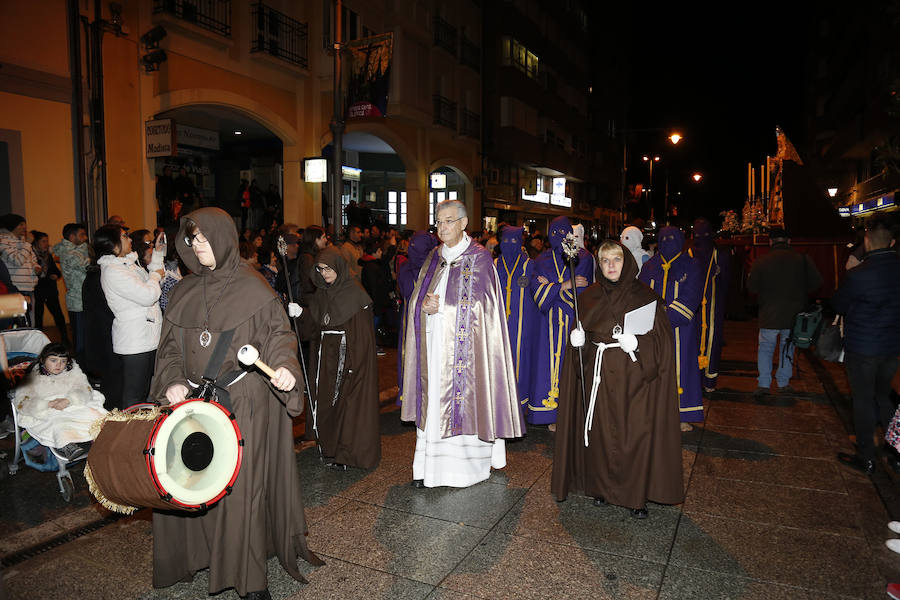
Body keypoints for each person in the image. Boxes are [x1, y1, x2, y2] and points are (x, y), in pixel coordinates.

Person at [150, 207, 323, 599]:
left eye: (204, 238)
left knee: (240, 490)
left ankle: (249, 577)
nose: (198, 246)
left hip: (242, 403)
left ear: (224, 238)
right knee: (190, 482)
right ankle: (195, 556)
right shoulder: (182, 292)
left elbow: (279, 338)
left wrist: (285, 369)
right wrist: (173, 381)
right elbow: (169, 352)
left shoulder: (254, 288)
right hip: (193, 405)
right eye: (192, 239)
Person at [552, 240, 683, 519]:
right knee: (599, 434)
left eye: (616, 259)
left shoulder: (645, 297)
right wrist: (578, 343)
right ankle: (601, 489)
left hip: (634, 381)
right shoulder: (588, 297)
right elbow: (581, 344)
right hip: (599, 377)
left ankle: (635, 497)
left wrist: (638, 344)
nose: (611, 266)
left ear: (628, 262)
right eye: (605, 261)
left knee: (633, 435)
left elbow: (662, 344)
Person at [401, 200, 525, 488]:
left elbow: (485, 309)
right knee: (432, 401)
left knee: (464, 400)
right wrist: (424, 305)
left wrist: (443, 307)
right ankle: (427, 466)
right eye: (438, 222)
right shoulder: (434, 256)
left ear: (463, 223)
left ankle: (465, 469)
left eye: (447, 221)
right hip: (434, 345)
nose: (441, 227)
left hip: (467, 355)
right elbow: (417, 297)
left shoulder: (479, 259)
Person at [296, 246, 380, 469]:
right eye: (321, 269)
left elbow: (362, 338)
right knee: (326, 403)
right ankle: (330, 447)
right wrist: (302, 314)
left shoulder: (355, 294)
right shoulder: (323, 294)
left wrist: (356, 365)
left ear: (339, 267)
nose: (325, 274)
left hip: (346, 360)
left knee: (346, 405)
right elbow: (316, 327)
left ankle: (346, 453)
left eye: (328, 269)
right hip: (325, 360)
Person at [831, 215, 900, 474]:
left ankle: (866, 456)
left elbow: (838, 304)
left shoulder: (858, 275)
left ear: (868, 241)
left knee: (862, 399)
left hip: (862, 347)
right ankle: (896, 451)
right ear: (892, 242)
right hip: (892, 347)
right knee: (884, 396)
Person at [529, 216, 593, 426]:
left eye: (562, 232)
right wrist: (564, 285)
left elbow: (583, 291)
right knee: (547, 368)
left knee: (572, 367)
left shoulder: (583, 257)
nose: (558, 237)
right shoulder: (541, 260)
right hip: (547, 325)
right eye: (554, 232)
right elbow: (537, 293)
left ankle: (570, 417)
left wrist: (552, 287)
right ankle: (549, 415)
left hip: (573, 323)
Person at [639, 226, 704, 430]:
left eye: (672, 238)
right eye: (664, 239)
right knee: (654, 368)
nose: (668, 242)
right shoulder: (649, 266)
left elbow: (691, 295)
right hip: (653, 330)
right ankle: (653, 412)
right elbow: (639, 294)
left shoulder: (691, 265)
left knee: (681, 367)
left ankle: (681, 414)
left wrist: (665, 317)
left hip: (680, 330)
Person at [746, 227, 822, 395]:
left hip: (769, 315)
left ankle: (764, 384)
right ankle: (783, 382)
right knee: (787, 348)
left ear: (770, 242)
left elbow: (751, 287)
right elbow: (817, 283)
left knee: (766, 348)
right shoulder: (803, 259)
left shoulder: (761, 261)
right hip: (795, 316)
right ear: (789, 241)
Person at [96, 225, 165, 408]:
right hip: (135, 340)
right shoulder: (113, 270)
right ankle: (130, 433)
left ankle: (141, 432)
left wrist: (157, 254)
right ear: (113, 243)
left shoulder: (127, 264)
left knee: (144, 392)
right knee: (134, 395)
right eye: (125, 236)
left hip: (146, 336)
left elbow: (154, 279)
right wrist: (155, 277)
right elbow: (148, 295)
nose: (130, 239)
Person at [13, 343, 106, 461]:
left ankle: (102, 437)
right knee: (57, 422)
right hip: (47, 406)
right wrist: (48, 404)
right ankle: (67, 444)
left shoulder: (72, 371)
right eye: (53, 360)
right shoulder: (32, 376)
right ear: (42, 360)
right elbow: (23, 401)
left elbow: (84, 388)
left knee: (94, 414)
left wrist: (69, 400)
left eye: (63, 361)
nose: (59, 365)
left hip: (70, 402)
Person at [494, 226, 539, 414]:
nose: (509, 245)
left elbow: (536, 289)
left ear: (520, 242)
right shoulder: (495, 263)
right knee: (499, 358)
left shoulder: (529, 264)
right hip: (499, 321)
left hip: (522, 322)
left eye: (513, 241)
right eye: (505, 241)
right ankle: (498, 401)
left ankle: (519, 403)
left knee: (520, 359)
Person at [396, 231, 438, 405]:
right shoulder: (431, 268)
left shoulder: (409, 268)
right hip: (419, 320)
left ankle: (418, 398)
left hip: (420, 319)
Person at [689, 218, 730, 392]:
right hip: (713, 307)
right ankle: (709, 383)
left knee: (693, 341)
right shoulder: (720, 255)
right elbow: (727, 282)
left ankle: (694, 381)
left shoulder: (688, 254)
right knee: (712, 341)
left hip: (692, 307)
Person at [53, 223, 90, 356]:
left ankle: (86, 366)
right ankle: (81, 368)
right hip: (77, 301)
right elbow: (87, 265)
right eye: (82, 234)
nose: (85, 238)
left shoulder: (79, 249)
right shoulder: (68, 252)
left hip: (83, 298)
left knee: (86, 336)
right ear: (72, 236)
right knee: (80, 339)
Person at [31, 231, 70, 346]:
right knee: (38, 317)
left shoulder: (48, 255)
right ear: (36, 243)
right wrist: (38, 273)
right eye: (43, 241)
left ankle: (65, 338)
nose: (46, 244)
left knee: (58, 315)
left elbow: (56, 271)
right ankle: (38, 343)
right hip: (37, 290)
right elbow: (31, 272)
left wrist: (56, 275)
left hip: (50, 289)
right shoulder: (31, 255)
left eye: (47, 241)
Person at [0, 213, 39, 312]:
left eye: (24, 224)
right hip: (15, 287)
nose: (24, 227)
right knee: (19, 321)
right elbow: (17, 260)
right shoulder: (3, 241)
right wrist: (28, 243)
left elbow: (32, 258)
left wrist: (36, 266)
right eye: (21, 224)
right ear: (11, 225)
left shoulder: (24, 242)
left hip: (29, 286)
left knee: (30, 322)